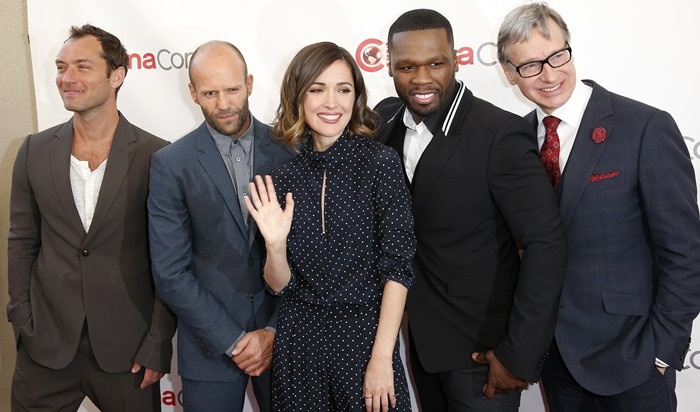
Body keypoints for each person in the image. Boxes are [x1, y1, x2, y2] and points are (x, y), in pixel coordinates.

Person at [497, 3, 700, 411]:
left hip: (633, 360)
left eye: (557, 56)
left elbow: (685, 251)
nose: (550, 75)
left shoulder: (644, 127)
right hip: (553, 362)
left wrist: (662, 351)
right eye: (531, 66)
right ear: (509, 74)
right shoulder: (511, 140)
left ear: (570, 48)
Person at [373, 8, 569, 411]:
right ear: (389, 66)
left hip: (483, 357)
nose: (422, 78)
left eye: (436, 63)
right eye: (407, 66)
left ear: (457, 60)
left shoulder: (500, 133)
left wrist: (519, 354)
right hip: (420, 350)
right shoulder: (384, 123)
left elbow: (545, 244)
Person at [7, 24, 175, 411]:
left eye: (82, 66)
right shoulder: (33, 150)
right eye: (61, 66)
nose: (67, 78)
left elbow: (168, 260)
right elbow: (22, 241)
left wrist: (157, 342)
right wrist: (21, 319)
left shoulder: (157, 156)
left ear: (117, 75)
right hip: (44, 346)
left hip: (127, 350)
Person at [244, 41, 416, 411]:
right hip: (299, 345)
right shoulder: (283, 175)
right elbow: (279, 285)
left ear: (356, 97)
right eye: (317, 89)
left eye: (343, 89)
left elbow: (398, 268)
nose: (331, 103)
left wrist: (383, 357)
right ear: (298, 96)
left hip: (365, 340)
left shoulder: (379, 163)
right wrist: (274, 245)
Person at [147, 40, 294, 411]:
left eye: (232, 90)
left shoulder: (290, 149)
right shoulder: (171, 164)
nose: (224, 104)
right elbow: (170, 272)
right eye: (210, 93)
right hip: (208, 349)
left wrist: (273, 330)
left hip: (288, 338)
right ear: (193, 93)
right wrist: (233, 340)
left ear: (249, 83)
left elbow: (310, 255)